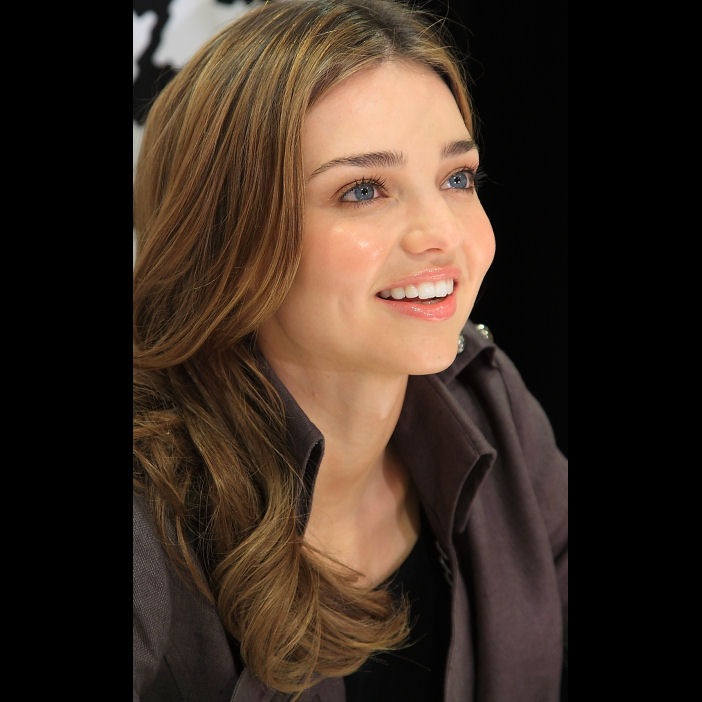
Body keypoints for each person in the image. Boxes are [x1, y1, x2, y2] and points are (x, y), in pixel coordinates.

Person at [132, 1, 568, 700]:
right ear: (227, 237)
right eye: (363, 190)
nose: (441, 234)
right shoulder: (146, 513)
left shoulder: (488, 397)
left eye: (457, 179)